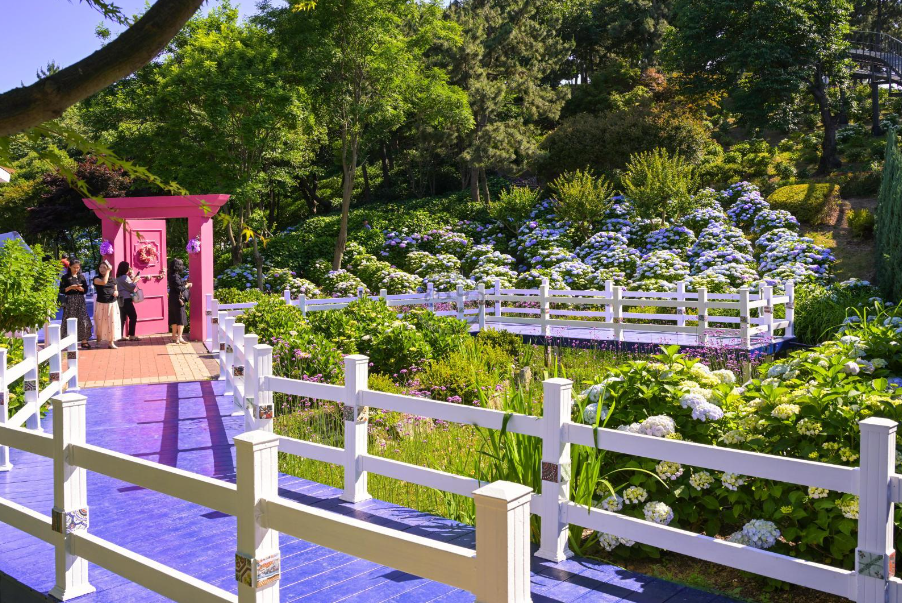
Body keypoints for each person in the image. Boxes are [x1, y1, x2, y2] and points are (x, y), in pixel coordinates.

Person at [59, 259, 92, 349]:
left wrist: (82, 290)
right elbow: (61, 290)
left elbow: (86, 289)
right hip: (70, 300)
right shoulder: (65, 277)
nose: (76, 269)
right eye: (74, 267)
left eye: (78, 267)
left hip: (80, 300)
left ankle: (84, 340)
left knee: (84, 319)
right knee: (69, 319)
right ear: (70, 267)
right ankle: (66, 341)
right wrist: (70, 287)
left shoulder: (81, 277)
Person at [93, 260, 122, 349]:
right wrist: (108, 271)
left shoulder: (113, 279)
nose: (102, 269)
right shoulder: (96, 279)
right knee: (100, 322)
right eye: (100, 267)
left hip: (112, 303)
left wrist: (116, 292)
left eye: (104, 268)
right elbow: (104, 282)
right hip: (101, 303)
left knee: (112, 322)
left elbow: (115, 288)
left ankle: (111, 342)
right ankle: (98, 340)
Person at [168, 258, 192, 344]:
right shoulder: (176, 277)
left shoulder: (171, 275)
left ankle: (174, 336)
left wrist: (184, 282)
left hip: (172, 298)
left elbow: (177, 285)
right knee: (180, 318)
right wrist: (187, 285)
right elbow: (180, 289)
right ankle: (180, 337)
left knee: (174, 318)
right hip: (178, 300)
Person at [116, 261, 141, 342]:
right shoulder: (124, 277)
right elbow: (131, 287)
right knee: (133, 316)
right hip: (126, 299)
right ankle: (132, 335)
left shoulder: (118, 277)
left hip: (120, 299)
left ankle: (120, 335)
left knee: (122, 318)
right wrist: (136, 280)